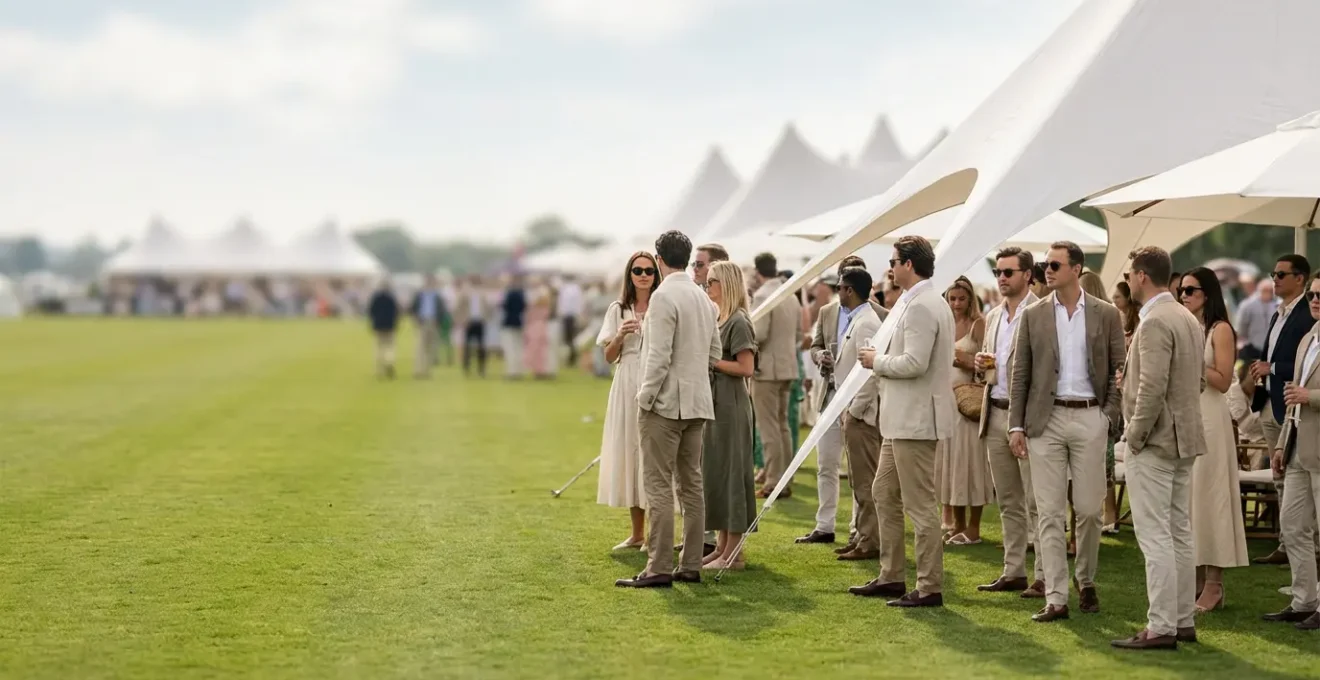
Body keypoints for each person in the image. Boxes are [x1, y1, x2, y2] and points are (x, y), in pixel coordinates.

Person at [1008, 241, 1125, 622]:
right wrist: (1016, 424)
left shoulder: (1107, 314)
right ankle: (1056, 597)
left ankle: (1085, 579)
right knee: (1049, 512)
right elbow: (1020, 374)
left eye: (1055, 264)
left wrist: (1107, 416)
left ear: (1077, 268)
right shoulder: (1033, 314)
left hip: (1091, 417)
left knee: (1090, 510)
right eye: (1045, 264)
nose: (1047, 270)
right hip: (1046, 420)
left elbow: (1119, 372)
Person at [1111, 246, 1207, 650]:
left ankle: (1162, 625)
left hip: (1155, 440)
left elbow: (1152, 388)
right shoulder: (1187, 317)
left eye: (1131, 274)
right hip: (1184, 437)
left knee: (1155, 536)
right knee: (1179, 532)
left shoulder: (1154, 322)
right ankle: (1182, 619)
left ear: (1142, 276)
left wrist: (1133, 435)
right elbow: (1194, 381)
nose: (1129, 280)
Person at [853, 235, 955, 608]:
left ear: (909, 265)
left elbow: (915, 363)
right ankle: (892, 575)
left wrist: (874, 361)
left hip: (915, 420)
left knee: (920, 506)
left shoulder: (923, 305)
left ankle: (929, 587)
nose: (891, 268)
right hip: (900, 420)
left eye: (895, 261)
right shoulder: (919, 301)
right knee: (883, 493)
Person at [616, 231, 720, 589]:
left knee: (658, 485)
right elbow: (714, 353)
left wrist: (644, 398)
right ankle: (690, 563)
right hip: (697, 402)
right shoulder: (703, 298)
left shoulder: (663, 297)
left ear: (660, 260)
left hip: (664, 404)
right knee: (691, 484)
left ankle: (659, 566)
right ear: (688, 258)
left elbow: (658, 357)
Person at [799, 255, 887, 547]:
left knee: (860, 469)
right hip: (830, 394)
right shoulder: (827, 312)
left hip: (859, 402)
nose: (838, 289)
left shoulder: (877, 316)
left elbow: (875, 364)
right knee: (826, 462)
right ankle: (824, 525)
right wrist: (820, 357)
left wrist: (860, 407)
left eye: (842, 285)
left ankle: (857, 529)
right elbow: (816, 345)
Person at [1177, 268, 1250, 613]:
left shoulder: (1220, 330)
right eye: (1181, 290)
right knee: (1188, 500)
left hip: (1212, 420)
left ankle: (1215, 583)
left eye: (1190, 290)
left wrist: (1191, 360)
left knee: (1212, 498)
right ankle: (1191, 578)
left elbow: (1222, 380)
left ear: (1207, 293)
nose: (1184, 296)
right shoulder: (1185, 327)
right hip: (1187, 419)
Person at [976, 247, 1043, 594]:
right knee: (1008, 502)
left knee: (1038, 502)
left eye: (1008, 272)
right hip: (995, 410)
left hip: (1028, 420)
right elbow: (993, 366)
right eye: (998, 272)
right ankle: (1013, 570)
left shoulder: (1043, 311)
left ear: (1028, 275)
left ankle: (1045, 576)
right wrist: (982, 366)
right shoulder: (992, 317)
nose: (1001, 278)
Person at [1265, 272, 1320, 631]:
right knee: (1293, 526)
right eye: (1314, 295)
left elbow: (1303, 395)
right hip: (1299, 445)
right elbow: (1292, 396)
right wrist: (1283, 443)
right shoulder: (1308, 339)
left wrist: (1310, 397)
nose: (1315, 300)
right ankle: (1304, 600)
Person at [1251, 255, 1312, 566]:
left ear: (1299, 278)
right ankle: (1285, 545)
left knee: (1295, 479)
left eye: (1280, 274)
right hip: (1270, 403)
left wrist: (1271, 367)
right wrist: (1262, 372)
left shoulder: (1309, 312)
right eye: (1273, 273)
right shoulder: (1279, 313)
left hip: (1294, 407)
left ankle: (1301, 544)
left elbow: (1308, 364)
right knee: (1279, 476)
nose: (1274, 279)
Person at [596, 253, 659, 550]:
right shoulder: (618, 309)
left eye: (649, 270)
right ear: (630, 274)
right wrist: (620, 335)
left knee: (653, 454)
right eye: (638, 270)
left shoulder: (663, 305)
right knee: (630, 453)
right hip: (626, 379)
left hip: (655, 379)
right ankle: (637, 533)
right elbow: (608, 356)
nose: (644, 275)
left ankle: (657, 533)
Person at [700, 261, 758, 570]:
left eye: (712, 282)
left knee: (734, 475)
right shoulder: (720, 319)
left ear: (728, 285)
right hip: (717, 405)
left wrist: (712, 361)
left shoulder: (738, 321)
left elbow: (746, 369)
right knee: (719, 473)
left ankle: (733, 553)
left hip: (732, 407)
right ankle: (722, 547)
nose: (707, 287)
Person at [831, 267, 886, 564]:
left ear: (849, 290)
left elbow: (869, 373)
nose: (837, 291)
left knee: (865, 481)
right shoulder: (859, 320)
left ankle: (870, 541)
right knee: (859, 480)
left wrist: (855, 411)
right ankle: (864, 537)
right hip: (852, 410)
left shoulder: (866, 323)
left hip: (861, 415)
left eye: (840, 287)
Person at [939, 276, 990, 545]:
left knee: (971, 464)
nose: (956, 304)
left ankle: (974, 526)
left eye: (961, 298)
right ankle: (957, 523)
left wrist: (960, 358)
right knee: (951, 465)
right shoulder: (945, 324)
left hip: (969, 404)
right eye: (952, 298)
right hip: (946, 403)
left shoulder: (978, 324)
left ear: (970, 299)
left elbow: (988, 363)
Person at [751, 253, 803, 499]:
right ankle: (785, 476)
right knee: (782, 426)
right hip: (788, 366)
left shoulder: (763, 296)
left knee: (768, 427)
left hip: (766, 370)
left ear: (757, 271)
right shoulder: (790, 295)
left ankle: (773, 481)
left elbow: (758, 334)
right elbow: (798, 334)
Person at [410, 274, 447, 379]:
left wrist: (438, 320)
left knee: (431, 348)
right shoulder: (419, 295)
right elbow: (413, 308)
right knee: (420, 347)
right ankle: (418, 370)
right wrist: (416, 318)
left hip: (434, 322)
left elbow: (442, 310)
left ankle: (427, 370)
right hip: (422, 322)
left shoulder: (437, 296)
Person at [457, 276, 491, 377]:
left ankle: (481, 368)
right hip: (469, 322)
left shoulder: (483, 293)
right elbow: (459, 307)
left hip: (480, 321)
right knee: (467, 347)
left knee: (481, 346)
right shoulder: (465, 292)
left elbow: (487, 307)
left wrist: (486, 319)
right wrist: (462, 320)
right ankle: (466, 367)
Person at [1237, 278, 1276, 361]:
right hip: (1252, 345)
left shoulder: (1277, 305)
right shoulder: (1247, 305)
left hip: (1272, 347)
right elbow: (1242, 326)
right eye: (1265, 290)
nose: (1267, 293)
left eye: (1270, 291)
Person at [367, 279, 400, 379]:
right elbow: (396, 312)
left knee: (379, 348)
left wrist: (373, 322)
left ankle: (379, 370)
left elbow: (371, 311)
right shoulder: (391, 298)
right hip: (390, 325)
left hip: (378, 325)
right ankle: (389, 362)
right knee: (390, 347)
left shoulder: (376, 297)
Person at [524, 285, 555, 379]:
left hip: (536, 328)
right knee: (538, 351)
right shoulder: (543, 306)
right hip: (539, 328)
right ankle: (538, 371)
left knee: (539, 351)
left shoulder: (534, 307)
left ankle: (539, 370)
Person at [500, 276, 528, 379]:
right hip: (519, 322)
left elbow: (504, 306)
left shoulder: (509, 294)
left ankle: (512, 371)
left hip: (509, 323)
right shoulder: (522, 294)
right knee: (519, 348)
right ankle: (519, 371)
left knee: (510, 349)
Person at [558, 275, 585, 369]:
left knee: (570, 338)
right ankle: (571, 356)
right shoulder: (572, 289)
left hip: (571, 316)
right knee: (570, 339)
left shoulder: (568, 289)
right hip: (570, 316)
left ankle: (572, 357)